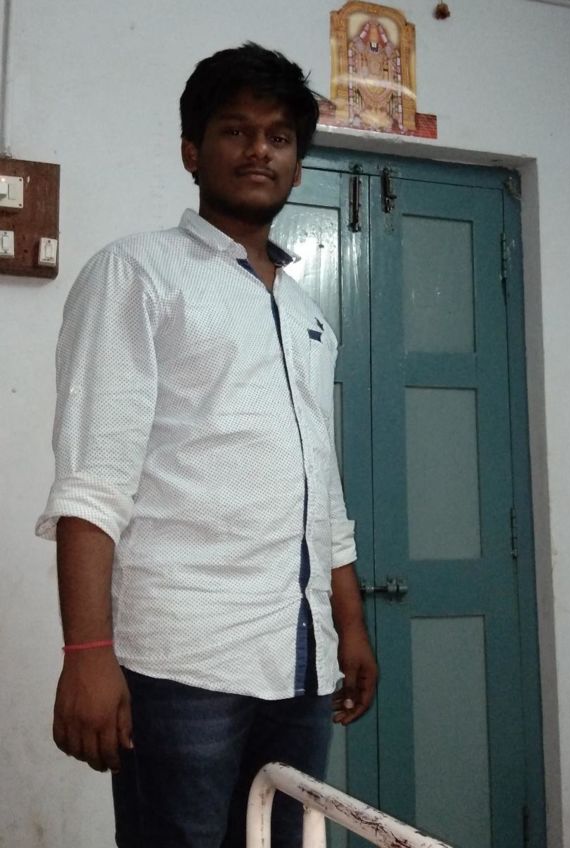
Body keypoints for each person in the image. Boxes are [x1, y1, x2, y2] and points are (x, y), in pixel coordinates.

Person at [36, 43, 377, 848]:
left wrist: (349, 623)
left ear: (297, 166)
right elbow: (93, 479)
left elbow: (320, 484)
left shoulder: (306, 312)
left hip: (300, 662)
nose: (259, 149)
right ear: (192, 151)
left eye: (279, 137)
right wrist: (87, 652)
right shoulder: (136, 273)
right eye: (235, 130)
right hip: (180, 662)